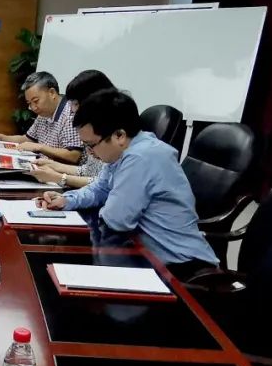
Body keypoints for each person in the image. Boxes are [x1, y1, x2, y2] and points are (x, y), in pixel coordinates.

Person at [36, 89, 218, 277]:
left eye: (91, 145)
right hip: (142, 253)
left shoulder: (142, 157)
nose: (89, 153)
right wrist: (68, 200)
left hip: (178, 265)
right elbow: (100, 188)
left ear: (119, 135)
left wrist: (106, 202)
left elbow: (117, 219)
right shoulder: (123, 153)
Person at [29, 69, 116, 189]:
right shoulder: (95, 125)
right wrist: (52, 165)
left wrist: (59, 178)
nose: (73, 110)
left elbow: (104, 184)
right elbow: (88, 170)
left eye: (76, 104)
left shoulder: (114, 131)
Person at [0, 71, 84, 164]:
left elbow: (74, 155)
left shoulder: (70, 113)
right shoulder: (43, 114)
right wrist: (1, 138)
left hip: (60, 174)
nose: (33, 107)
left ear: (52, 93)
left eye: (36, 101)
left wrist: (40, 147)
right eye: (29, 103)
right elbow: (28, 139)